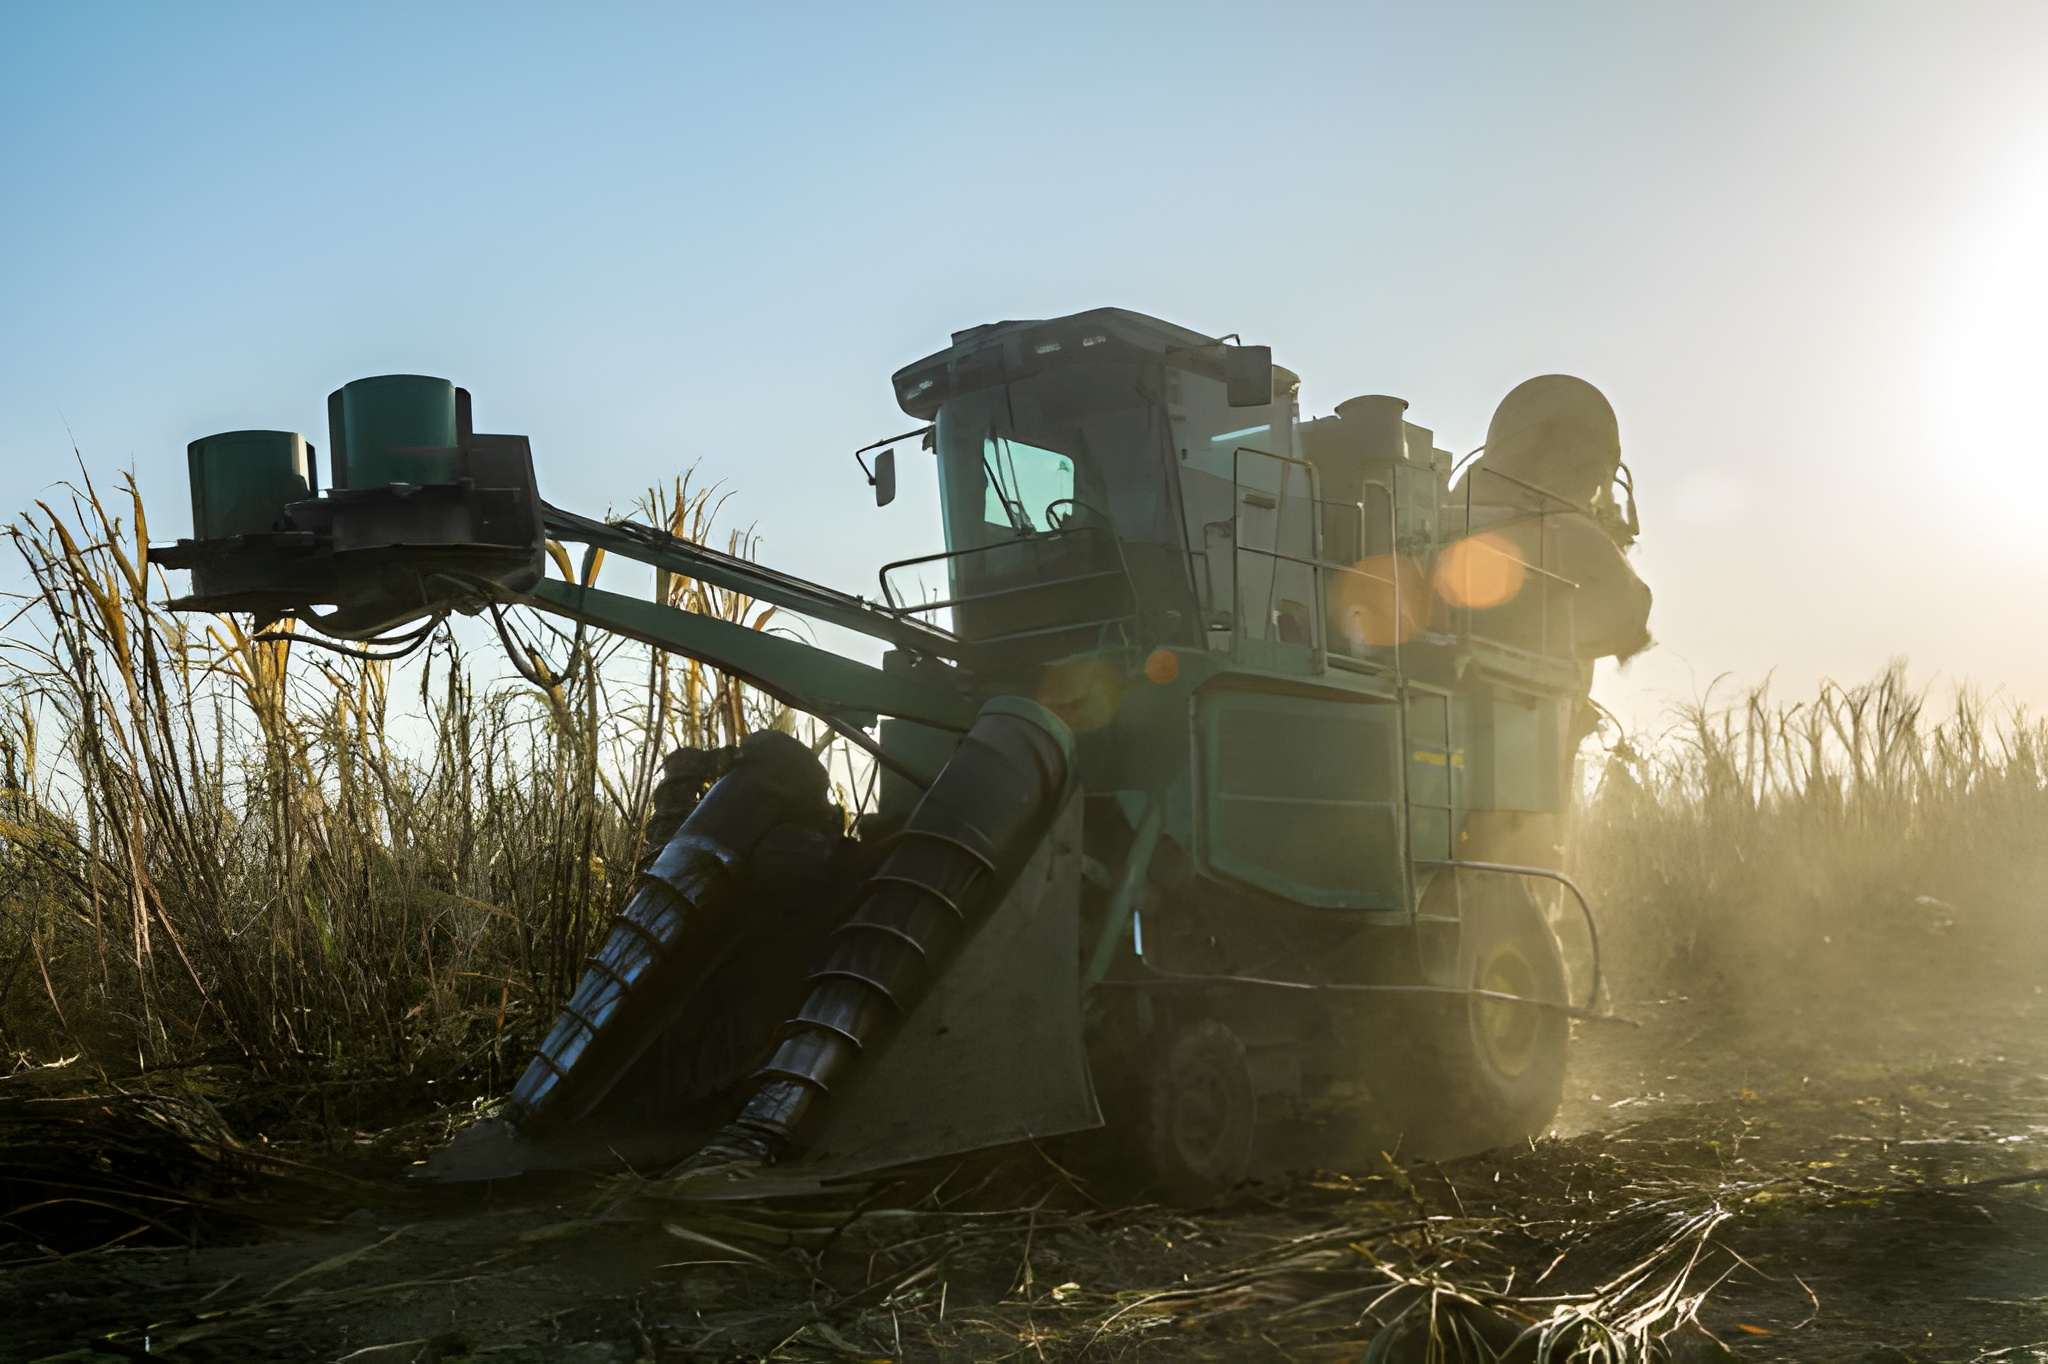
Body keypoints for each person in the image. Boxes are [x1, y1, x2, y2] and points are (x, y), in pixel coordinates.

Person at [1443, 374, 1652, 868]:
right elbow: (1630, 614)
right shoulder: (1572, 535)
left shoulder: (1450, 522)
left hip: (1461, 747)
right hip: (1523, 739)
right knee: (1528, 866)